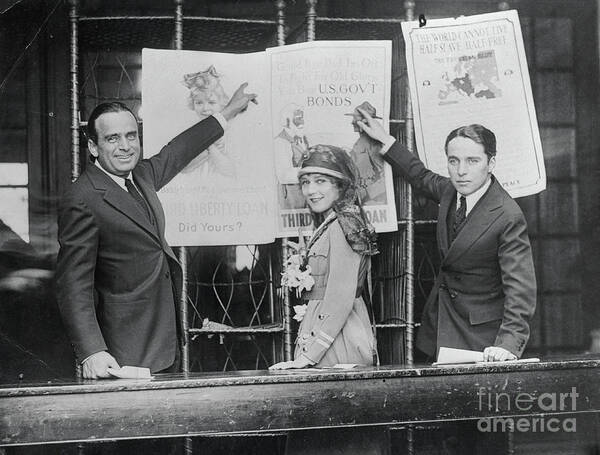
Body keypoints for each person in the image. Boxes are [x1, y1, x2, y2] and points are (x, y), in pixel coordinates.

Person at [55, 83, 256, 379]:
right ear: (94, 147)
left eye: (130, 136)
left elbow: (178, 150)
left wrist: (227, 112)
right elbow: (72, 284)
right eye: (112, 138)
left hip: (163, 343)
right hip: (121, 352)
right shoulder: (82, 197)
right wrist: (92, 351)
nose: (125, 146)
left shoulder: (141, 175)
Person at [357, 110, 536, 362]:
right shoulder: (451, 191)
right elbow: (420, 175)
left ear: (491, 163)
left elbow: (520, 288)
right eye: (454, 161)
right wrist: (384, 139)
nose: (461, 171)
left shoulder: (507, 215)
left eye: (472, 161)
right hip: (440, 326)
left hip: (482, 336)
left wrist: (509, 344)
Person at [270, 144, 378, 370]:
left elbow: (340, 297)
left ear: (341, 185)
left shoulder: (343, 224)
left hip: (339, 338)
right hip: (325, 333)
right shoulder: (331, 224)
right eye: (306, 182)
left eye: (320, 181)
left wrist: (309, 357)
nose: (310, 190)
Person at [181, 66, 235, 177]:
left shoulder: (229, 132)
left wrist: (209, 145)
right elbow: (184, 169)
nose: (205, 108)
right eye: (199, 103)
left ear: (222, 103)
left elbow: (230, 172)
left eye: (211, 102)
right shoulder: (194, 132)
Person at [345, 101, 386, 204]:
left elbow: (386, 177)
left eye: (355, 118)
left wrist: (367, 193)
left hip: (374, 201)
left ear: (364, 121)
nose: (352, 122)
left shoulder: (374, 143)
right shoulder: (360, 142)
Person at [274, 103, 309, 210]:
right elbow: (283, 175)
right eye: (298, 119)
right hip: (291, 198)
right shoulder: (280, 142)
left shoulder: (302, 139)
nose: (302, 122)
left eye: (302, 118)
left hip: (304, 195)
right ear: (287, 121)